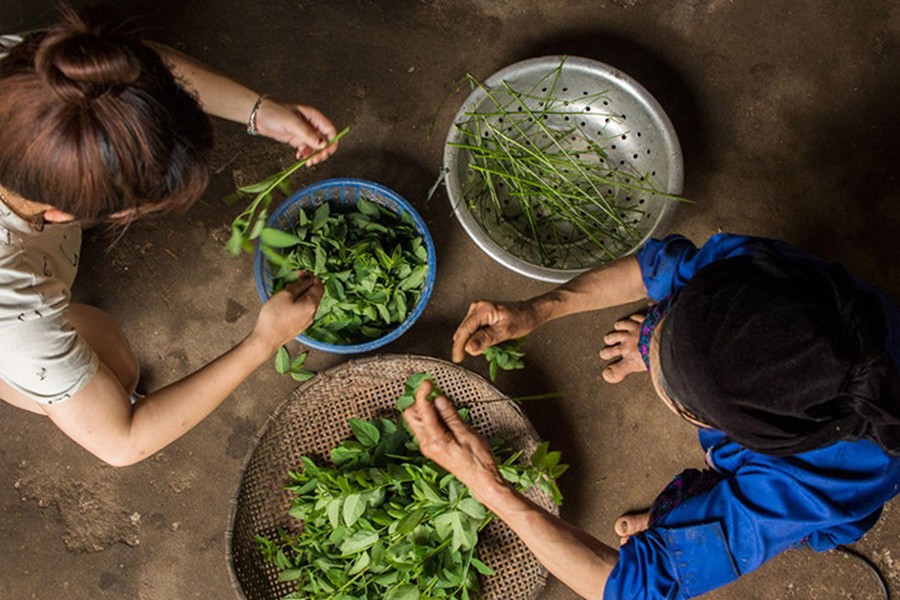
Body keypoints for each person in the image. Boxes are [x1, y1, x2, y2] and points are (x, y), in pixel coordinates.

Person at [404, 232, 900, 599]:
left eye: (674, 395)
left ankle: (693, 521)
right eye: (669, 320)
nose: (652, 338)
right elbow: (659, 268)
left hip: (831, 483)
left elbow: (630, 588)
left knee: (720, 538)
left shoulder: (808, 486)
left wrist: (484, 483)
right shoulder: (759, 283)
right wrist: (538, 310)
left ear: (746, 438)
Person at [0, 6, 334, 466]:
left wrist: (261, 112)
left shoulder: (31, 79)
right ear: (60, 213)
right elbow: (121, 442)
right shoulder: (14, 307)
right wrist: (262, 341)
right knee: (116, 372)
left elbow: (132, 71)